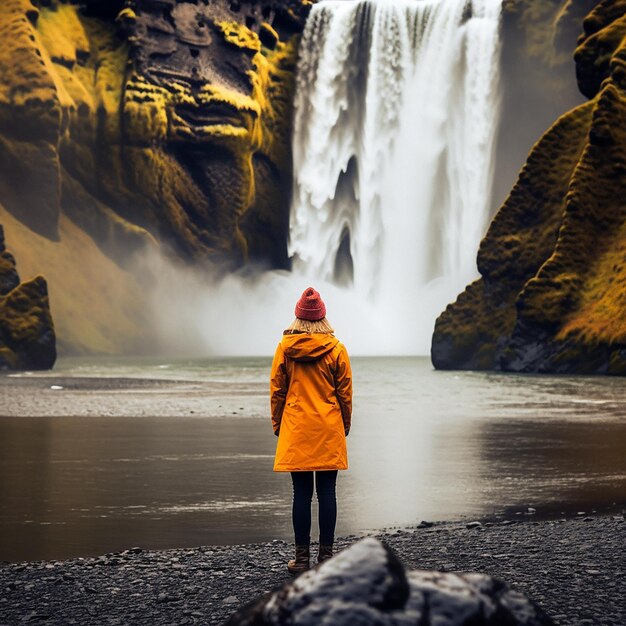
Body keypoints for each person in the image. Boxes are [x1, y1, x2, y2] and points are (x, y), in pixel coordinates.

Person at [270, 287, 352, 574]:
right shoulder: (337, 349)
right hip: (328, 427)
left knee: (301, 494)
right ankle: (326, 558)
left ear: (298, 317)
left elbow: (277, 391)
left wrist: (278, 424)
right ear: (322, 317)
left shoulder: (285, 348)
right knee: (328, 492)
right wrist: (345, 424)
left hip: (296, 427)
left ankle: (302, 559)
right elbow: (345, 393)